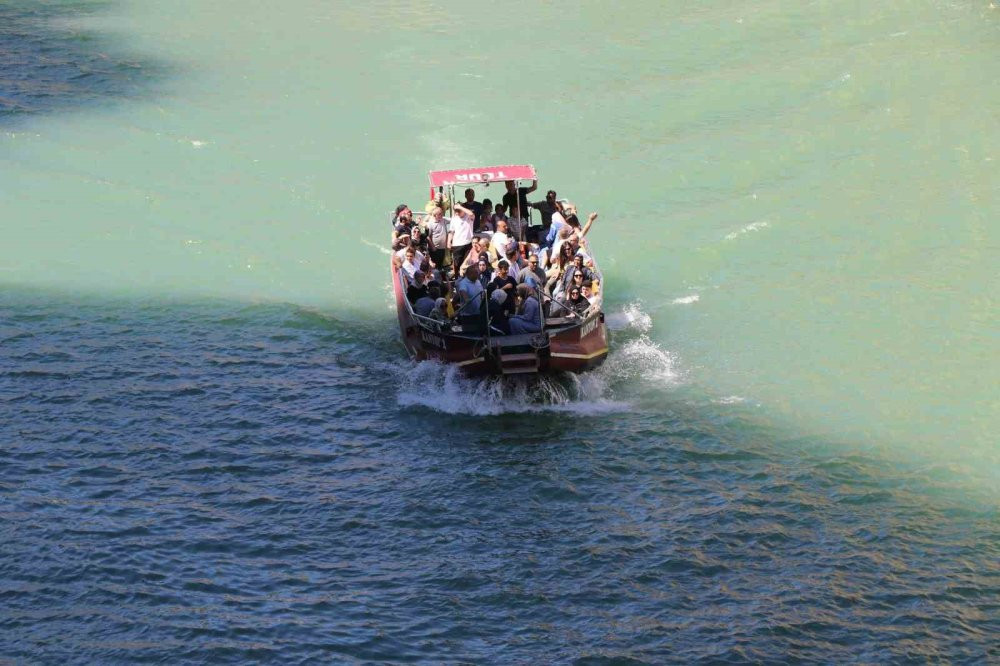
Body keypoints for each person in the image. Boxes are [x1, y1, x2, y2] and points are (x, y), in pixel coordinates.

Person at [448, 202, 476, 275]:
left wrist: (460, 207)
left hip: (468, 243)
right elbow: (451, 231)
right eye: (455, 211)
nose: (457, 213)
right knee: (457, 264)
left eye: (458, 211)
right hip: (457, 244)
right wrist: (449, 242)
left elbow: (471, 214)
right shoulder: (454, 219)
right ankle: (457, 279)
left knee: (467, 264)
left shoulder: (468, 217)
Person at [456, 265, 485, 331]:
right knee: (470, 335)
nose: (477, 275)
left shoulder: (478, 281)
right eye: (475, 273)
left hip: (479, 314)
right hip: (468, 316)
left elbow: (482, 293)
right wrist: (466, 299)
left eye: (477, 273)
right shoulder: (463, 283)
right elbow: (462, 291)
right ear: (469, 274)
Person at [425, 206, 449, 272]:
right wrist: (433, 247)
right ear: (435, 215)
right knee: (434, 265)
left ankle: (440, 275)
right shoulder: (431, 224)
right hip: (435, 249)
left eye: (442, 213)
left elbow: (452, 220)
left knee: (440, 264)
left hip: (442, 248)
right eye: (440, 214)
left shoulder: (443, 220)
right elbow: (428, 237)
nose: (442, 215)